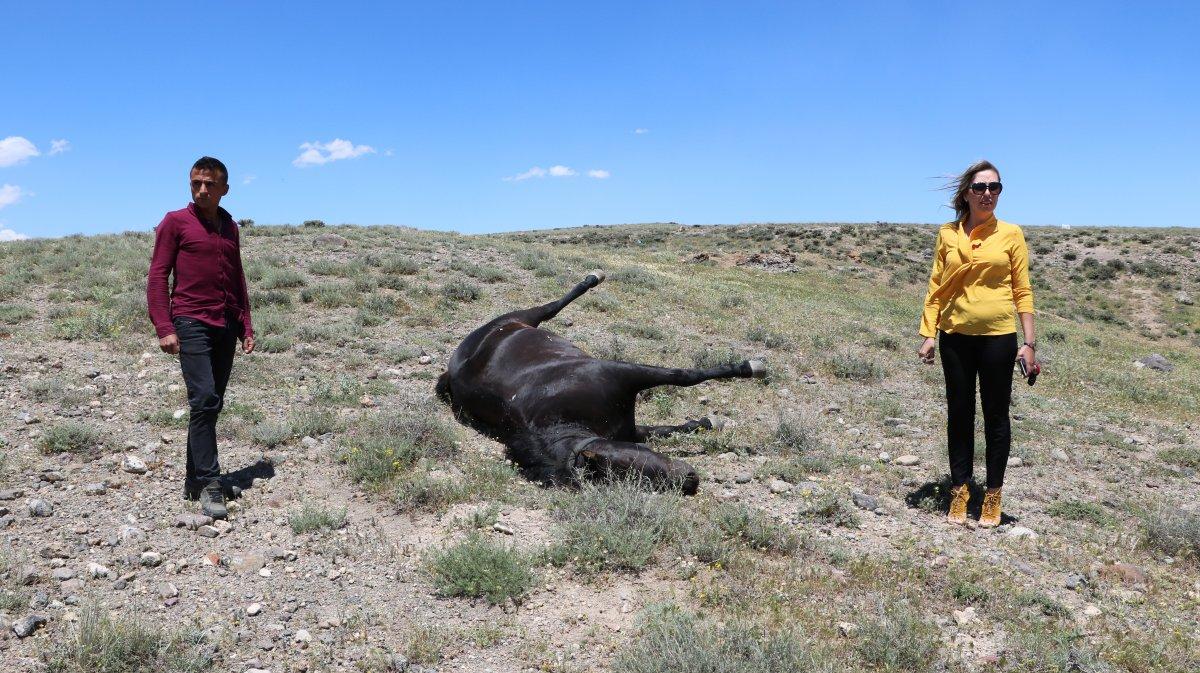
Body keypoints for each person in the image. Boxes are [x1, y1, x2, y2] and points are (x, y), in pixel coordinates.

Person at [917, 160, 1036, 528]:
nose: (988, 194)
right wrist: (928, 333)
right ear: (966, 193)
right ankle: (960, 490)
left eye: (995, 187)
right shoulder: (947, 234)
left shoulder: (1011, 233)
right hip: (955, 338)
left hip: (999, 338)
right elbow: (938, 285)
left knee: (996, 417)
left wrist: (1029, 342)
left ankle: (993, 496)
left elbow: (1022, 289)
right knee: (959, 415)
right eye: (981, 188)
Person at [147, 156, 255, 519]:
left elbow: (237, 277)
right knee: (205, 397)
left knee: (211, 404)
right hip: (190, 320)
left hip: (224, 323)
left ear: (225, 188)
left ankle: (194, 481)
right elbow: (158, 276)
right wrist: (164, 326)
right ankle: (210, 483)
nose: (202, 190)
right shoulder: (175, 222)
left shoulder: (229, 226)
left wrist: (245, 325)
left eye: (210, 184)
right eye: (196, 183)